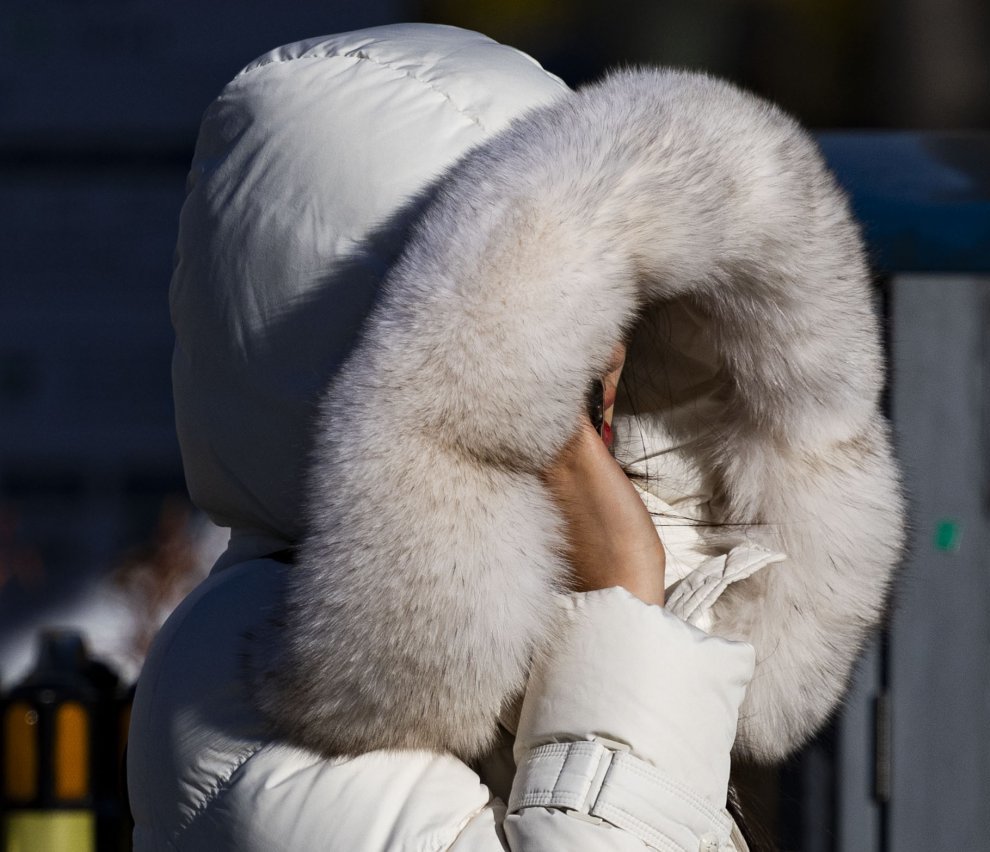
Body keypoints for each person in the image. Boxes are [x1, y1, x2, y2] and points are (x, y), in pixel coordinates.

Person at [127, 23, 904, 851]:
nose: (608, 350)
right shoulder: (258, 689)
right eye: (543, 315)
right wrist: (626, 603)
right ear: (399, 352)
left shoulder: (516, 631)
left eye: (618, 302)